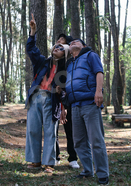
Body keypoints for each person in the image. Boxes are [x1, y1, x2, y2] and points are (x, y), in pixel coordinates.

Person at [25, 14, 70, 173]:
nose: (57, 48)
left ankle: (49, 163)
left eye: (60, 48)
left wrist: (60, 93)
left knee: (51, 132)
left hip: (52, 100)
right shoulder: (42, 61)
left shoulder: (64, 71)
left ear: (64, 54)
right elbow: (31, 49)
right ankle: (35, 161)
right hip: (36, 97)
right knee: (33, 129)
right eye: (56, 46)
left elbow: (66, 91)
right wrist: (33, 31)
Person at [65, 38, 109, 185]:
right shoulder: (70, 64)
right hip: (75, 106)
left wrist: (98, 91)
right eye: (71, 43)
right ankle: (88, 170)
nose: (72, 43)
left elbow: (99, 72)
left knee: (96, 140)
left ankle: (102, 174)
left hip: (90, 103)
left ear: (83, 46)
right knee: (78, 142)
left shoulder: (90, 55)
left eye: (76, 41)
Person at [54, 33, 80, 169]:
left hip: (67, 99)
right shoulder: (52, 60)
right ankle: (56, 156)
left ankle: (72, 158)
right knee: (53, 130)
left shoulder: (71, 62)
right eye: (57, 39)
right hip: (53, 98)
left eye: (61, 40)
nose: (58, 41)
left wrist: (64, 102)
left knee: (70, 130)